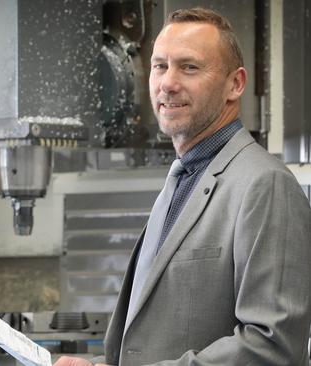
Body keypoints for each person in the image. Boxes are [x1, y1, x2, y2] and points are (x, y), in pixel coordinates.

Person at [55, 7, 311, 366]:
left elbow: (273, 347)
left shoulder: (264, 185)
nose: (168, 83)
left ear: (235, 84)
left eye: (189, 67)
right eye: (160, 66)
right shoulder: (183, 179)